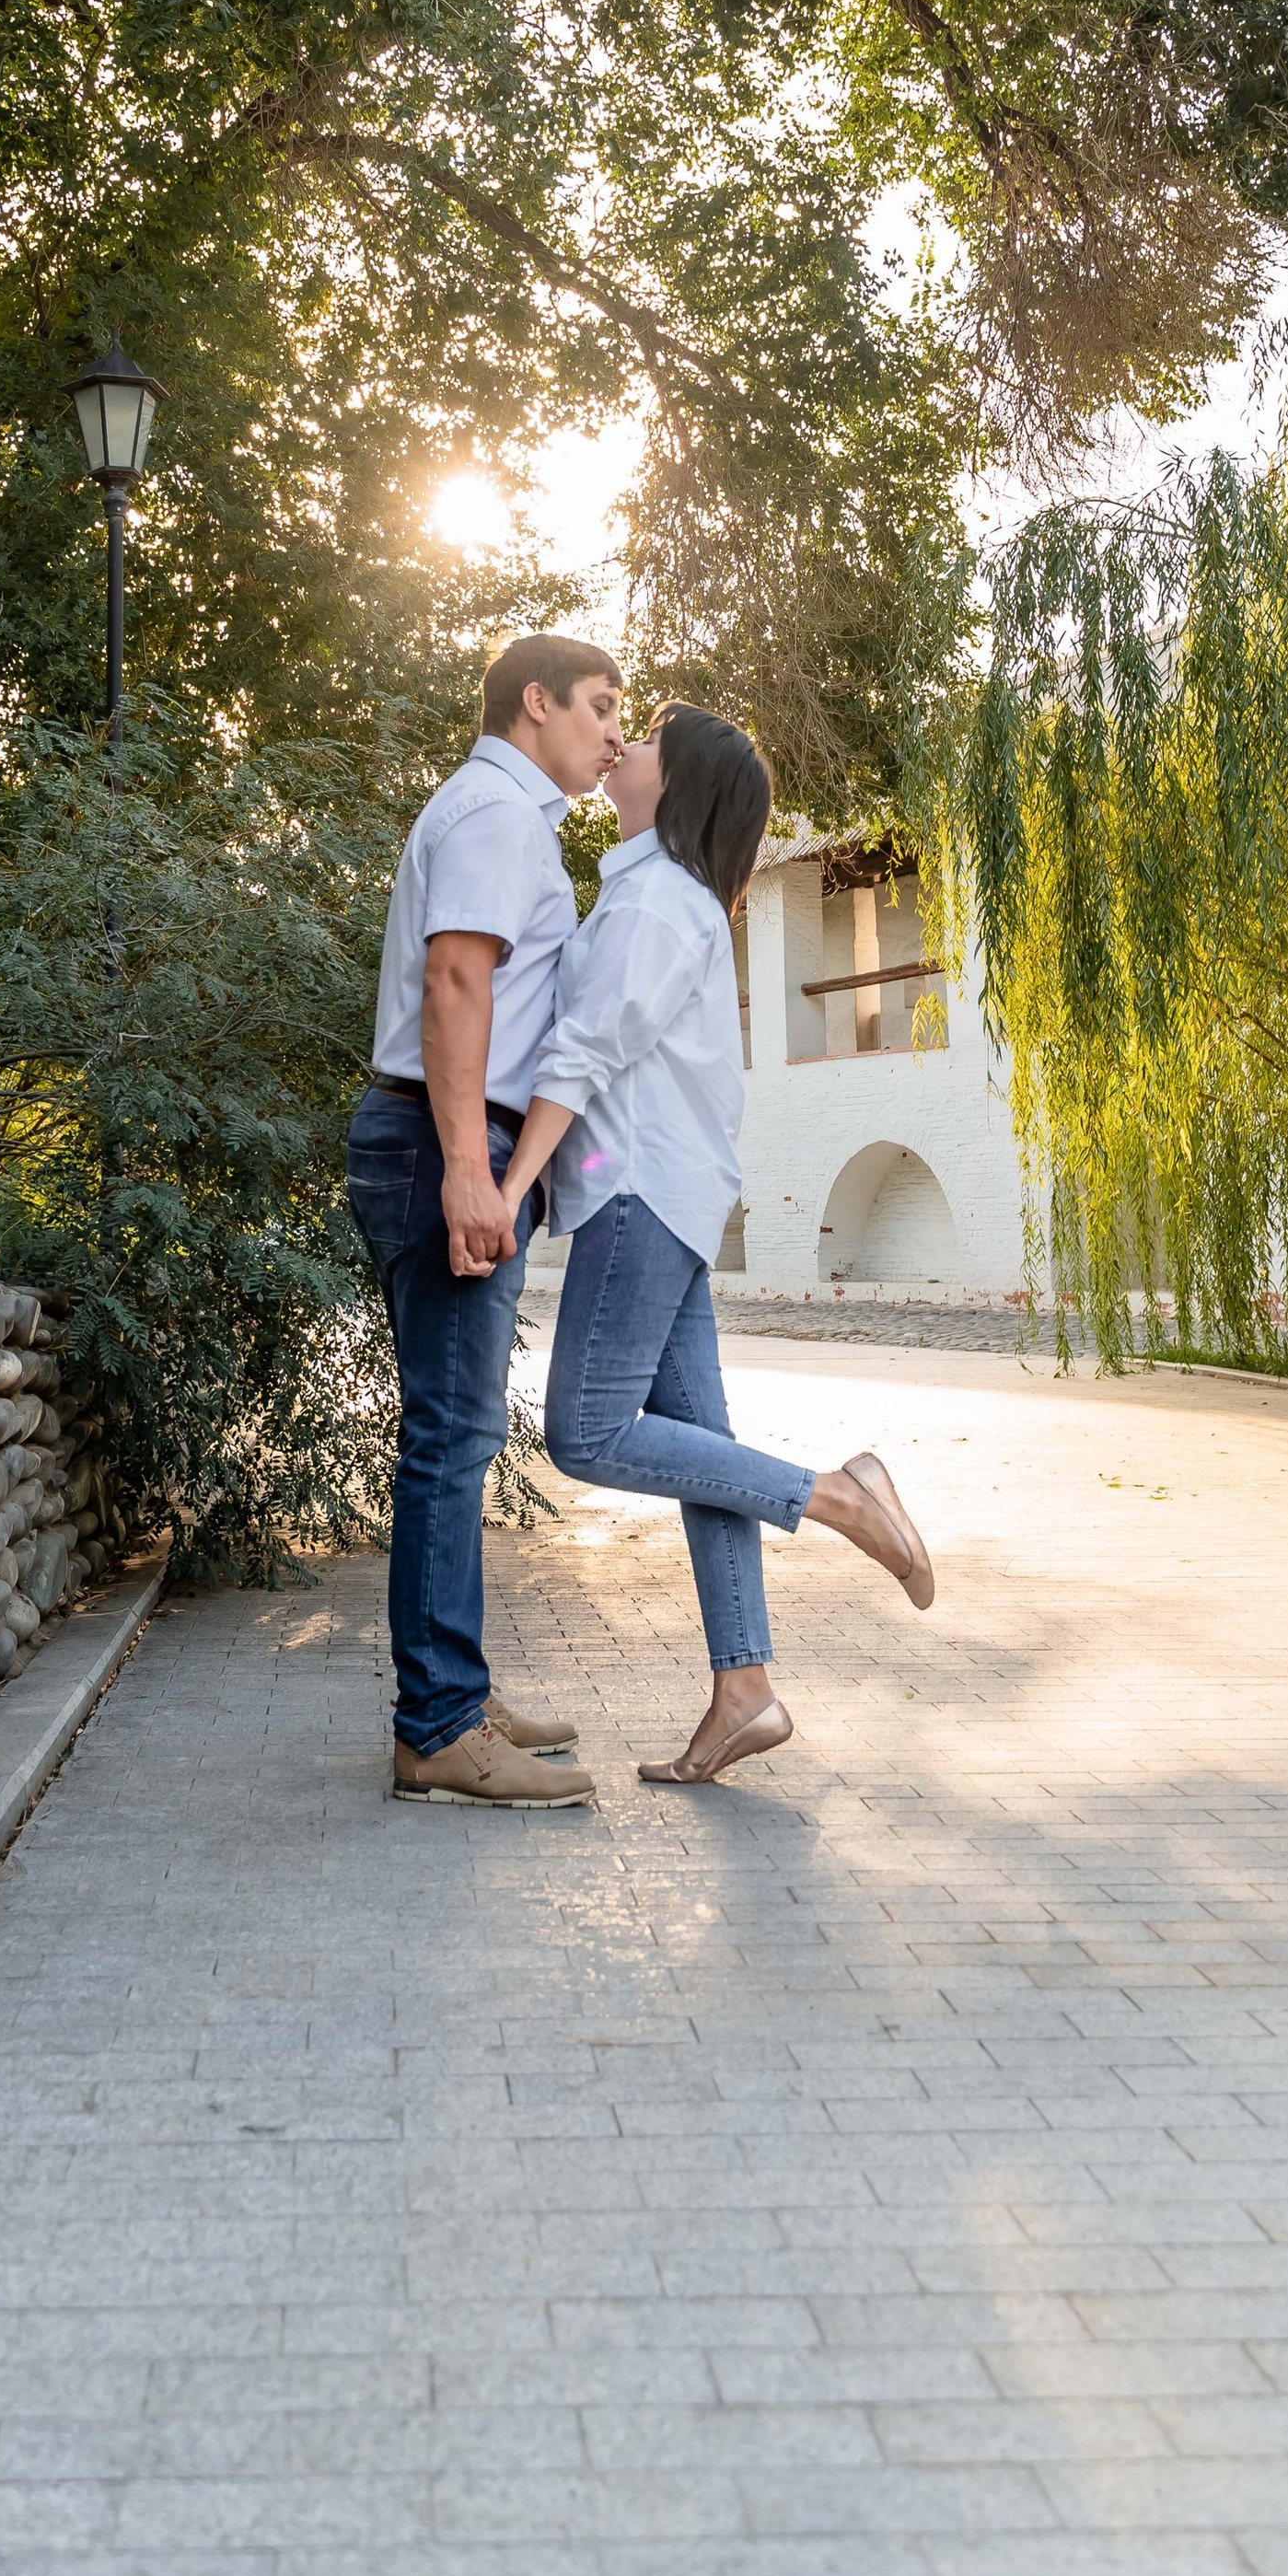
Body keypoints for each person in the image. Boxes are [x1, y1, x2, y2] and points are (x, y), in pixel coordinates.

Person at [498, 705, 935, 1784]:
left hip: (639, 1196)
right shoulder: (654, 893)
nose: (624, 747)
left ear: (677, 781)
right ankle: (745, 1690)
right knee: (702, 1456)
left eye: (643, 737)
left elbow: (583, 1052)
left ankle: (833, 1492)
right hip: (661, 1194)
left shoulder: (655, 903)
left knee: (585, 1432)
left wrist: (508, 1181)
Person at [347, 632, 625, 1807]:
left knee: (453, 1433)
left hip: (440, 1135)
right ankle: (440, 1727)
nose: (615, 732)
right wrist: (471, 1164)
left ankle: (450, 1688)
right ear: (536, 704)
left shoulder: (495, 814)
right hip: (442, 1140)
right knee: (451, 1440)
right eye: (602, 706)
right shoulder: (497, 816)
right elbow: (456, 980)